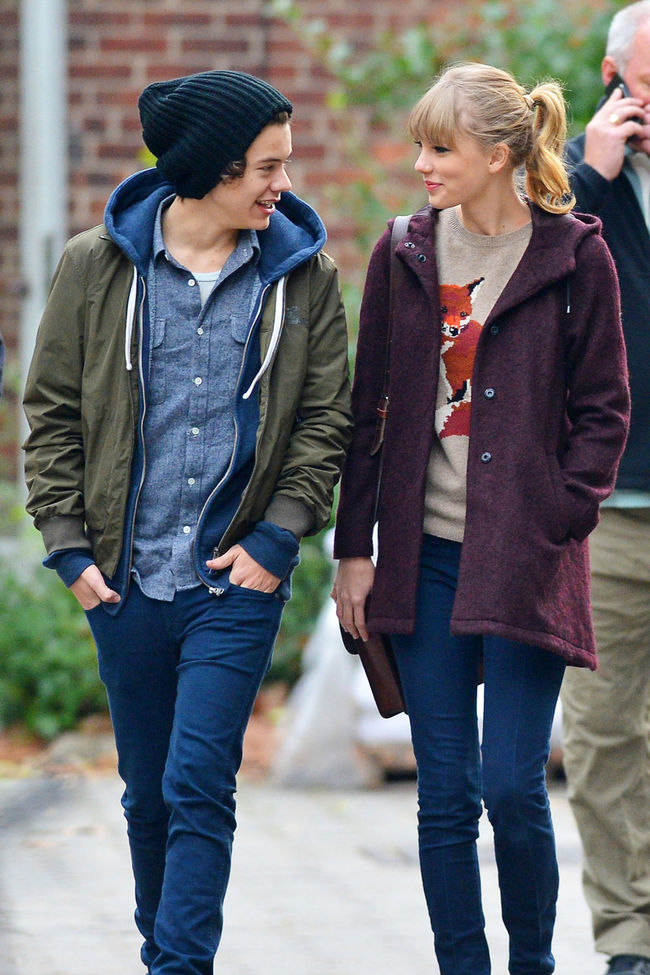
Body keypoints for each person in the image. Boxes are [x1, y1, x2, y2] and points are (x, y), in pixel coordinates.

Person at [23, 69, 351, 975]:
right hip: (124, 579)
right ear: (210, 167)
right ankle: (161, 949)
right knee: (147, 797)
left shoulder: (303, 276)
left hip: (234, 578)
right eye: (266, 167)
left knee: (199, 781)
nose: (283, 184)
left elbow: (326, 418)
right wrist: (68, 546)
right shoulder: (96, 266)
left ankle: (179, 966)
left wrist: (278, 535)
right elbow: (51, 410)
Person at [331, 62, 630, 975]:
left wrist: (559, 514)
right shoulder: (404, 252)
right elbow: (369, 411)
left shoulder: (574, 257)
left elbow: (605, 410)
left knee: (512, 785)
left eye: (440, 148)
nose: (421, 164)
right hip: (422, 559)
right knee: (446, 796)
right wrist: (353, 549)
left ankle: (532, 962)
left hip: (526, 558)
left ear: (498, 156)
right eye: (420, 147)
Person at [560, 4, 650, 974]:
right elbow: (525, 293)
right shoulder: (568, 187)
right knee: (604, 734)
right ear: (613, 78)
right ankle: (630, 939)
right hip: (611, 509)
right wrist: (591, 175)